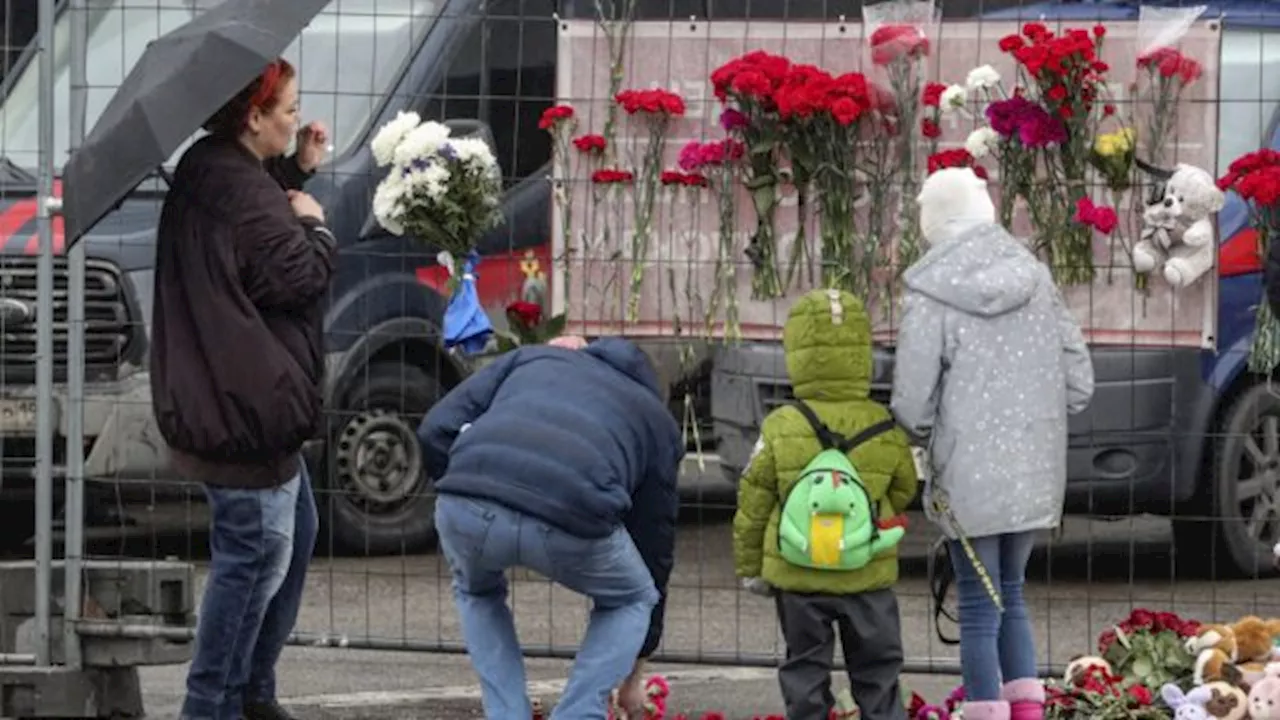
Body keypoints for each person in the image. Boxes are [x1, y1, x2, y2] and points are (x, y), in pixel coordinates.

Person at [150, 57, 337, 720]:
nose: (297, 117)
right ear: (253, 117)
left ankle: (251, 689)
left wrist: (295, 171)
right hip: (246, 407)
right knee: (253, 561)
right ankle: (213, 705)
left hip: (228, 394)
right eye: (288, 108)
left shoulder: (213, 166)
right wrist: (316, 221)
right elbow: (297, 276)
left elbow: (251, 237)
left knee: (296, 531)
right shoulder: (241, 191)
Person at [891, 168, 1095, 720]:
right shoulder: (1035, 276)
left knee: (979, 608)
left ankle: (983, 711)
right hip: (1034, 469)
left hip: (966, 475)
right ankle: (1027, 713)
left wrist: (940, 433)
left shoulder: (928, 292)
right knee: (1013, 594)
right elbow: (1080, 381)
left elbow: (910, 403)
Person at [419, 335, 682, 720]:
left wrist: (473, 489)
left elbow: (433, 430)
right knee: (632, 597)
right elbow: (654, 543)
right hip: (571, 513)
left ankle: (507, 714)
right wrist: (637, 664)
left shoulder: (530, 359)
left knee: (476, 592)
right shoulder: (656, 420)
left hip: (465, 501)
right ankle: (578, 713)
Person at [733, 288, 920, 720]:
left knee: (805, 668)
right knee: (877, 670)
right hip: (867, 574)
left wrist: (750, 567)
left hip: (798, 575)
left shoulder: (782, 424)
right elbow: (903, 488)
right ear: (862, 353)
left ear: (796, 352)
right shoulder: (883, 424)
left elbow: (753, 501)